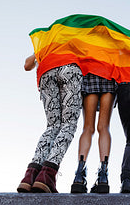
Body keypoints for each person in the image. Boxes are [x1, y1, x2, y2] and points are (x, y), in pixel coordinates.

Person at [17, 54, 83, 193]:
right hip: (69, 69)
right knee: (68, 124)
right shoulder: (75, 32)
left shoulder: (47, 38)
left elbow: (27, 65)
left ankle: (31, 175)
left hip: (46, 71)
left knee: (52, 126)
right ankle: (47, 174)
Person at [70, 73, 118, 193]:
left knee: (87, 128)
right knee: (104, 127)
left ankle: (79, 175)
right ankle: (103, 175)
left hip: (90, 73)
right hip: (108, 73)